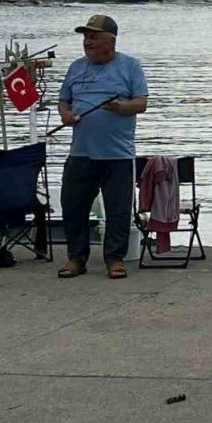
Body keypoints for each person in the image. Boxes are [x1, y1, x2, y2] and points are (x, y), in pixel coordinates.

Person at [56, 14, 148, 280]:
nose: (88, 42)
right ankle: (76, 258)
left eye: (94, 37)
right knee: (73, 207)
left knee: (118, 210)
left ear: (111, 41)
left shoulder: (130, 66)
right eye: (86, 37)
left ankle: (115, 259)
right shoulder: (76, 67)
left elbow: (141, 103)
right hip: (80, 152)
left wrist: (120, 107)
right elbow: (64, 101)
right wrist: (66, 115)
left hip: (117, 154)